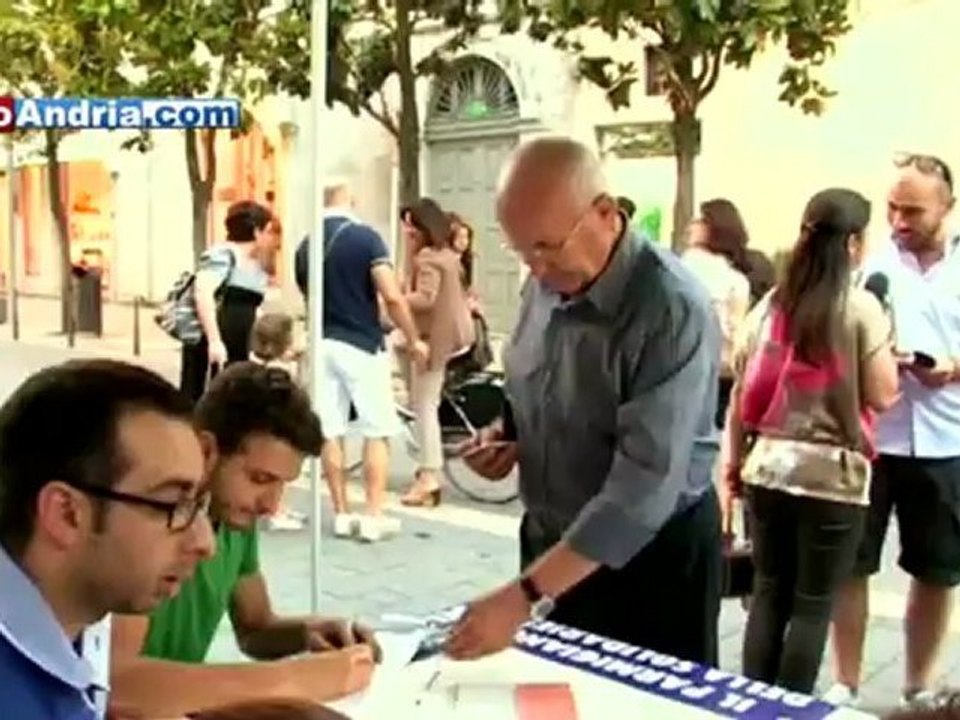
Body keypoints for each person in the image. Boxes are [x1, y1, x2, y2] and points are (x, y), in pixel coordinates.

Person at [446, 137, 723, 665]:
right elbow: (530, 382)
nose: (536, 268)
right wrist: (510, 437)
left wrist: (523, 596)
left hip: (649, 561)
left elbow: (640, 489)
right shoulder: (544, 282)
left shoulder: (670, 309)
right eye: (522, 250)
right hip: (553, 547)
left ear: (604, 213)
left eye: (547, 247)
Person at [110, 363, 376, 719]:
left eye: (282, 484)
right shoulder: (149, 526)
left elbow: (254, 628)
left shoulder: (236, 518)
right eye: (260, 478)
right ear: (206, 451)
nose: (270, 505)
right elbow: (118, 682)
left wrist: (309, 632)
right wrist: (296, 680)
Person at [722, 188, 899, 694]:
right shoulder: (860, 307)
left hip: (768, 466)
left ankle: (750, 702)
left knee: (769, 592)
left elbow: (739, 381)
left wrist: (733, 467)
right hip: (832, 478)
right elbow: (884, 394)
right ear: (854, 244)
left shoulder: (773, 305)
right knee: (812, 603)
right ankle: (788, 707)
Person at [0, 359, 214, 720]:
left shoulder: (74, 625)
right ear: (66, 514)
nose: (205, 543)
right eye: (173, 505)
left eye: (197, 504)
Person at [829, 154, 960, 711]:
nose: (899, 220)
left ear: (948, 208)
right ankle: (847, 681)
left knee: (937, 568)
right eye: (892, 208)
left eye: (913, 210)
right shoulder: (869, 267)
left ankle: (917, 685)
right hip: (872, 437)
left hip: (947, 440)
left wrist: (951, 368)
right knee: (851, 562)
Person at [295, 182, 428, 542]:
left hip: (321, 343)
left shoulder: (305, 245)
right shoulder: (366, 238)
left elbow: (309, 297)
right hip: (361, 344)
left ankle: (340, 512)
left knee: (330, 428)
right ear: (352, 202)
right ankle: (373, 514)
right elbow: (391, 295)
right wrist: (413, 339)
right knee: (376, 428)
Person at [398, 201, 475, 507]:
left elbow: (425, 298)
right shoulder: (447, 256)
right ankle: (428, 470)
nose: (405, 231)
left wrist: (391, 299)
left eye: (409, 226)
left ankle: (430, 475)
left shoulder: (428, 259)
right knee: (424, 400)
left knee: (424, 407)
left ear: (421, 228)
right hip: (454, 335)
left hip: (436, 339)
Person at [181, 201, 278, 402]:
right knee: (208, 398)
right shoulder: (223, 255)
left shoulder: (255, 264)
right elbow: (203, 292)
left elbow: (250, 307)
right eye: (268, 231)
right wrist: (215, 341)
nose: (271, 238)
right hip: (213, 344)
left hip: (238, 345)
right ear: (256, 231)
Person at [683, 198, 752, 429]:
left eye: (700, 220)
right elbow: (736, 340)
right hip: (719, 377)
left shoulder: (680, 267)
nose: (691, 225)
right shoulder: (736, 281)